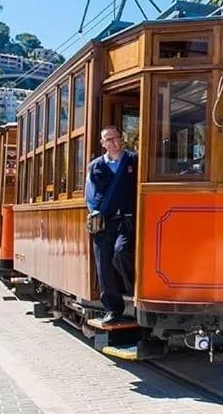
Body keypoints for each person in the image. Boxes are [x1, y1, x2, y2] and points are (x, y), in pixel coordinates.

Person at [85, 126, 138, 324]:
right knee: (104, 264)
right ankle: (113, 309)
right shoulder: (95, 166)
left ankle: (131, 289)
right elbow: (89, 195)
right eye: (109, 139)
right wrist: (94, 213)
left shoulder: (133, 160)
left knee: (121, 251)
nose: (114, 142)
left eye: (117, 138)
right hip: (104, 221)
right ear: (103, 144)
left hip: (127, 218)